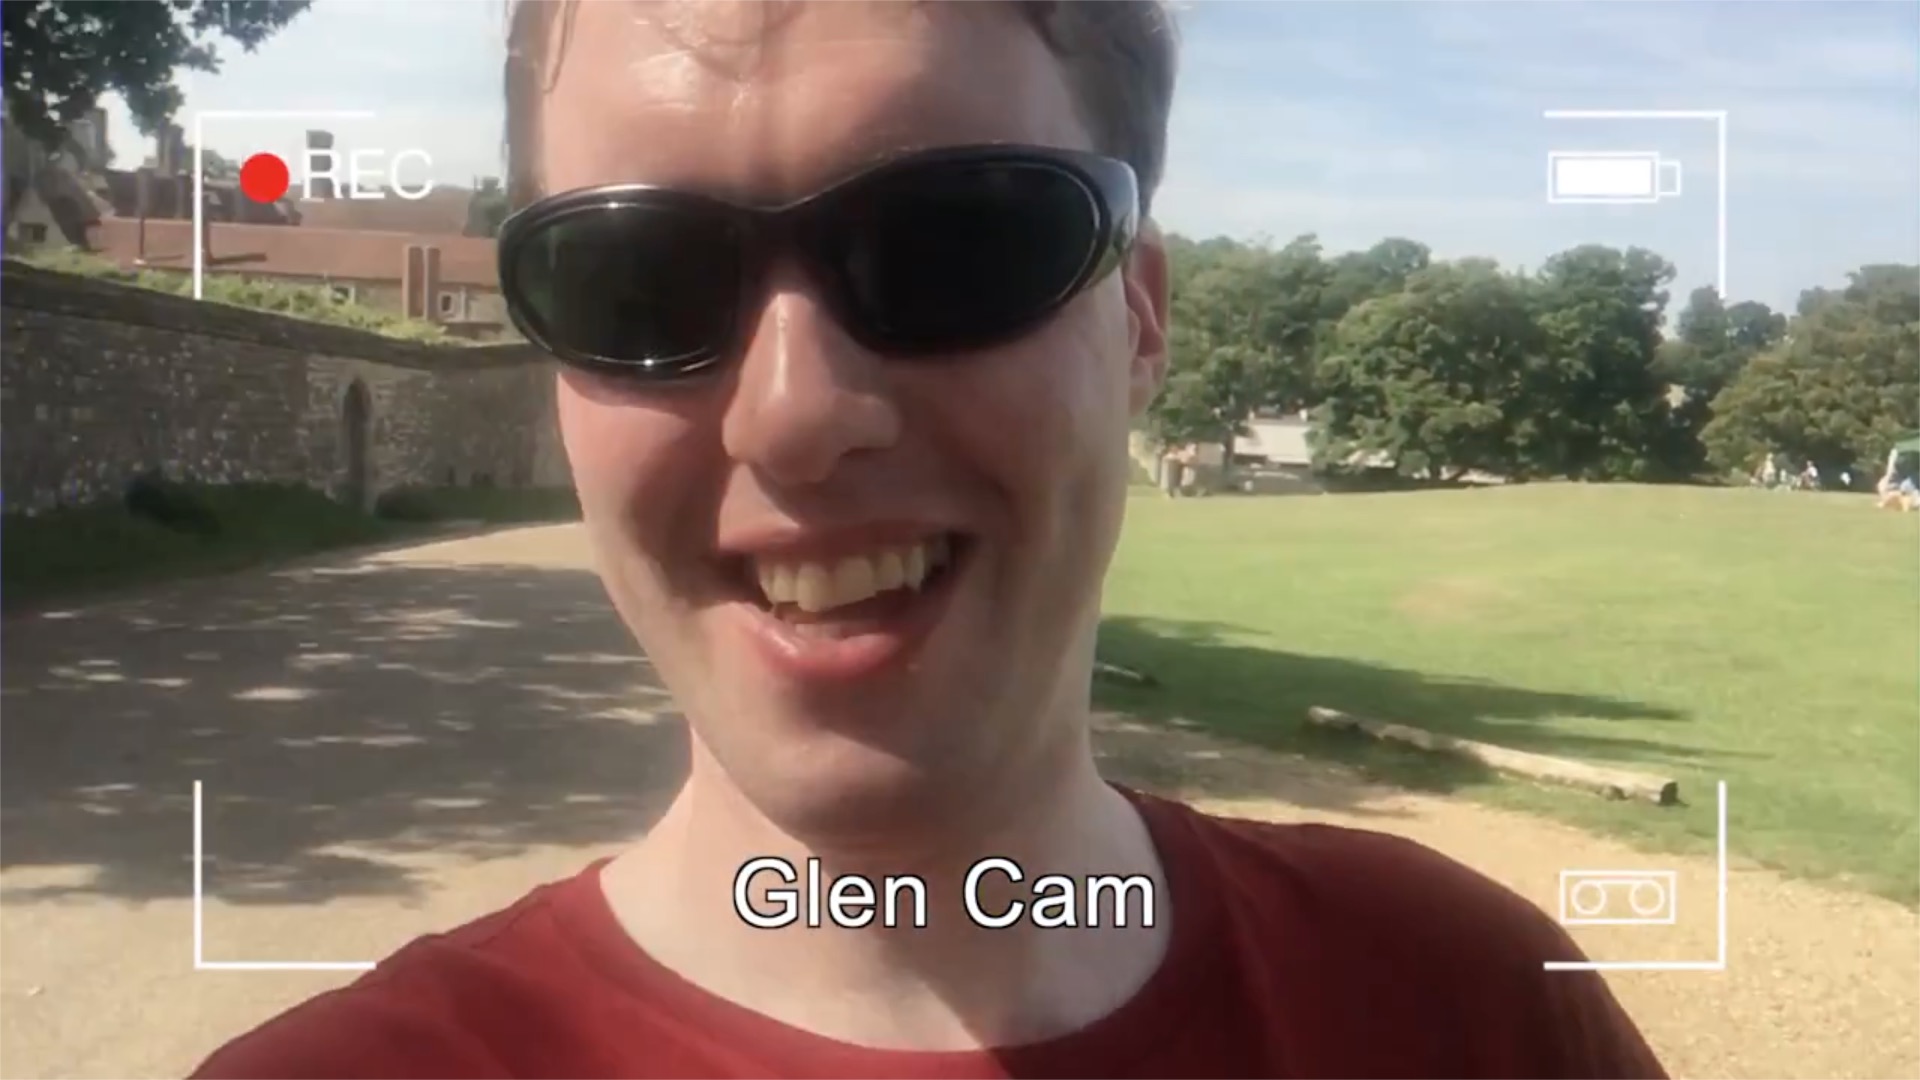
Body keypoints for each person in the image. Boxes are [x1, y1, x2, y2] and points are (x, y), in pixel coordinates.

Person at [193, 2, 1666, 1077]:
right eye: (637, 280)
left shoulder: (1466, 1012)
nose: (794, 417)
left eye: (958, 240)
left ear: (1139, 322)